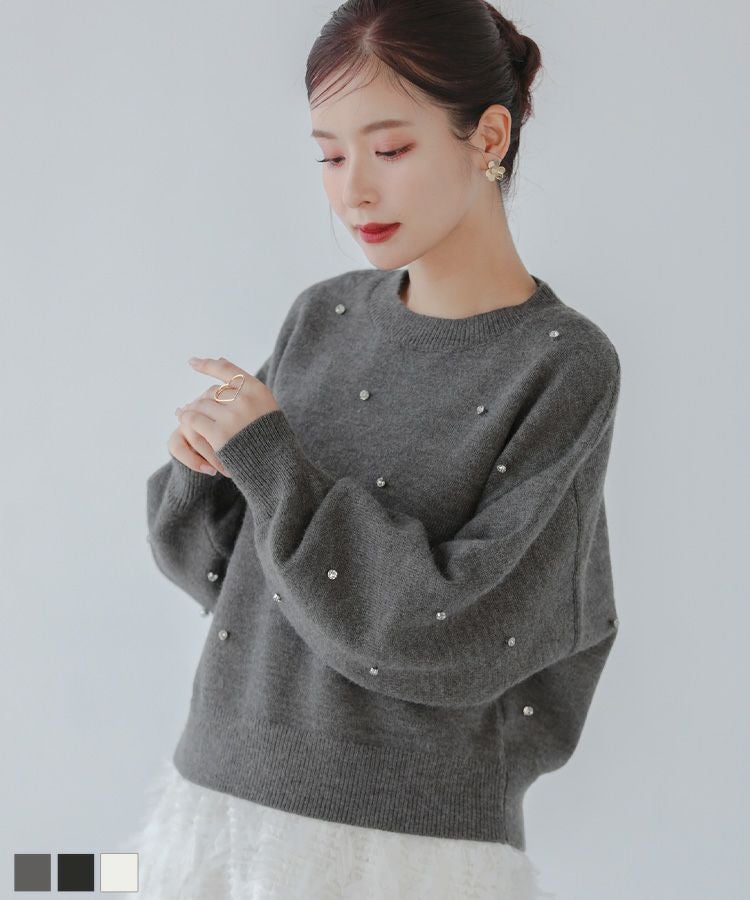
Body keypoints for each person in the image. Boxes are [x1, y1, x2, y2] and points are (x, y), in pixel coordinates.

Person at [119, 1, 622, 897]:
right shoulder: (322, 314)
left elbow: (459, 629)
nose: (352, 191)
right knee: (54, 877)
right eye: (329, 155)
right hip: (213, 807)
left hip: (406, 849)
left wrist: (273, 464)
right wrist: (208, 468)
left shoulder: (560, 364)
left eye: (388, 150)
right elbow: (226, 578)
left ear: (489, 136)